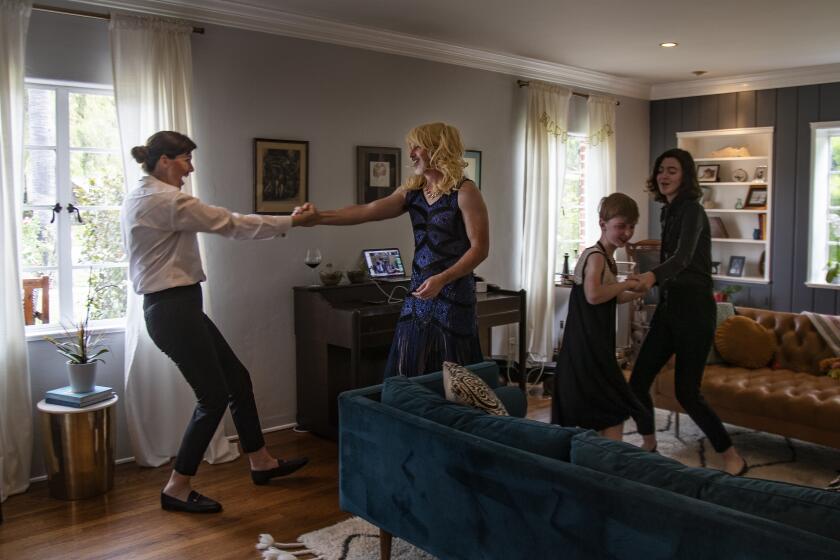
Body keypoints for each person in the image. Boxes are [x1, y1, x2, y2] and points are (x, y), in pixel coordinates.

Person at [121, 131, 315, 514]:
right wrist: (292, 222)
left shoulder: (141, 195)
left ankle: (260, 461)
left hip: (176, 308)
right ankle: (177, 487)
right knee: (211, 398)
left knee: (237, 381)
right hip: (173, 309)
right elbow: (230, 224)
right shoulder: (164, 200)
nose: (190, 168)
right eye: (185, 160)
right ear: (163, 161)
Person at [302, 122, 489, 377]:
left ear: (438, 148)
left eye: (417, 147)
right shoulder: (412, 192)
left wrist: (442, 279)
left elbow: (480, 249)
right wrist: (319, 217)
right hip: (418, 293)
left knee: (454, 374)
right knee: (409, 368)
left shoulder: (465, 191)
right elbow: (367, 211)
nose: (410, 153)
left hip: (454, 296)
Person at [630, 148, 747, 475]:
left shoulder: (693, 210)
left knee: (687, 391)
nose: (664, 176)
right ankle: (650, 443)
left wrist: (651, 277)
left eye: (672, 171)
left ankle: (730, 455)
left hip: (695, 312)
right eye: (660, 170)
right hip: (669, 309)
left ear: (686, 177)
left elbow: (682, 259)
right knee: (638, 382)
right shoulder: (668, 212)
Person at [551, 193, 649, 441]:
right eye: (620, 226)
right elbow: (593, 295)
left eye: (631, 226)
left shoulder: (608, 258)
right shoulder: (596, 256)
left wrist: (633, 291)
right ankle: (607, 463)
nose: (626, 232)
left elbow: (609, 298)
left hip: (595, 344)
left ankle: (605, 462)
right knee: (610, 407)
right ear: (602, 224)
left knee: (608, 409)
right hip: (586, 347)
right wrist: (625, 283)